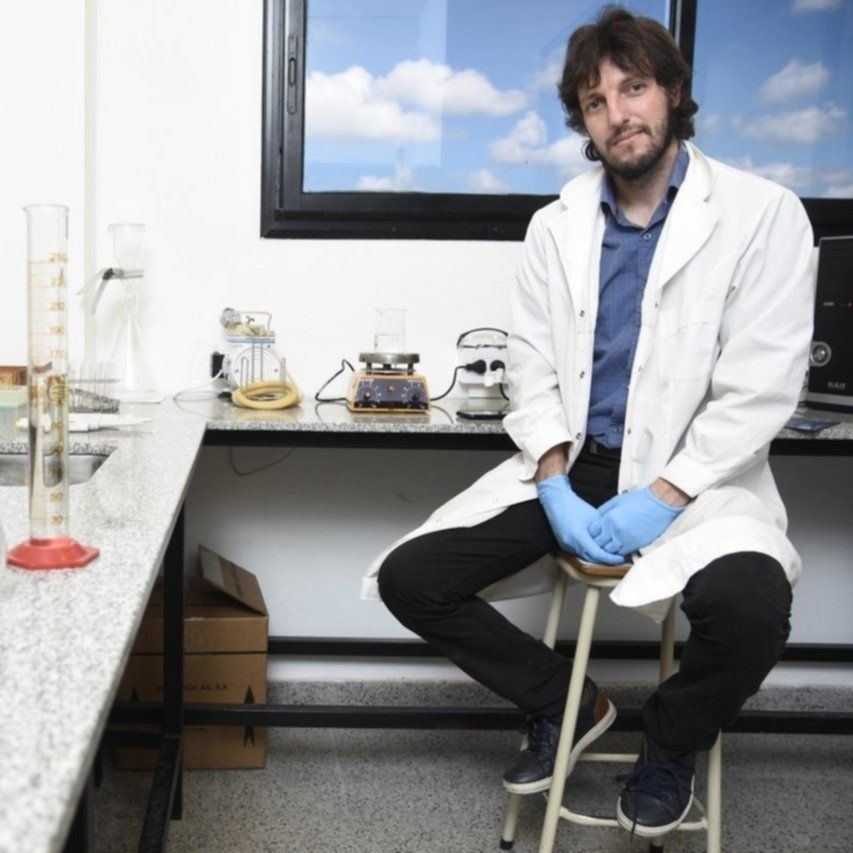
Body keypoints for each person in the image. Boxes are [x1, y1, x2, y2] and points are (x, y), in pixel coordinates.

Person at [364, 6, 814, 839]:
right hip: (581, 467)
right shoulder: (556, 225)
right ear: (581, 120)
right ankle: (569, 706)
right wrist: (552, 481)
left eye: (633, 88)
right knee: (411, 578)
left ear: (671, 90)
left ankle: (669, 743)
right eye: (595, 101)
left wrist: (665, 495)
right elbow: (533, 369)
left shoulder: (763, 214)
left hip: (698, 476)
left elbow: (761, 385)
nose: (618, 114)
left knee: (752, 610)